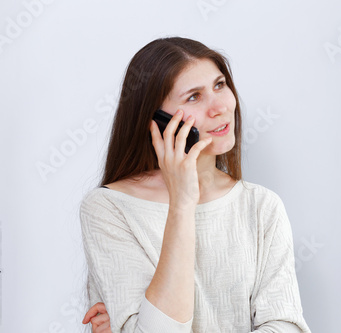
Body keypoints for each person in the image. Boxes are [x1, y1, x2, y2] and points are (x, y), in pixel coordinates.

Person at [79, 36, 311, 333]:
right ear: (158, 120)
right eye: (194, 97)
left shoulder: (261, 207)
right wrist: (182, 203)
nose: (219, 107)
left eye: (219, 85)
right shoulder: (108, 209)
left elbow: (285, 327)